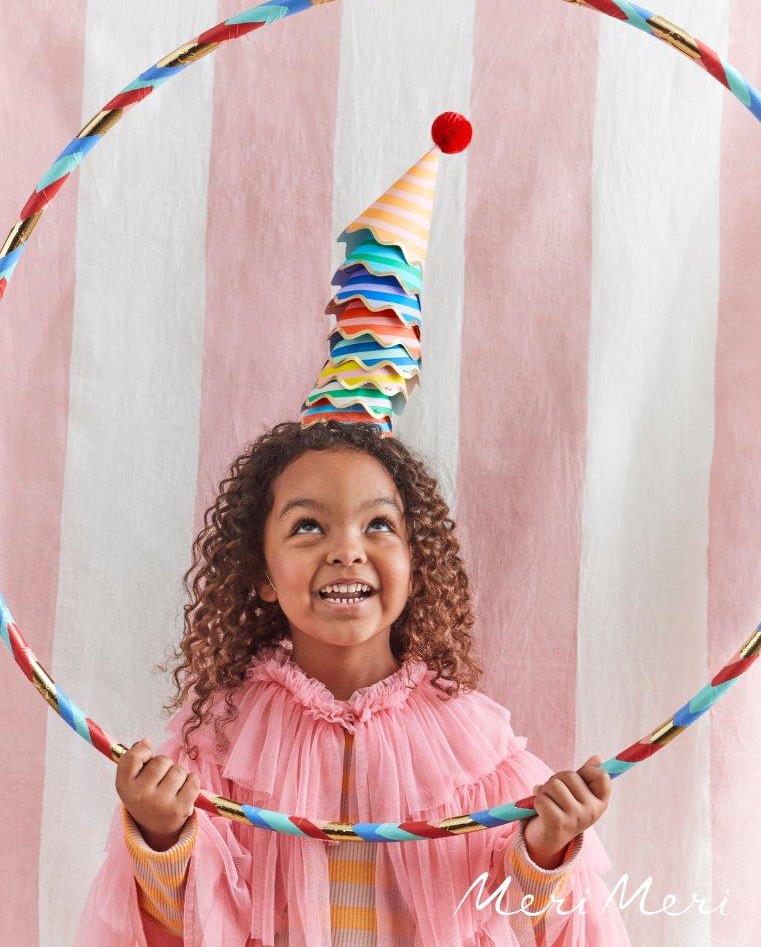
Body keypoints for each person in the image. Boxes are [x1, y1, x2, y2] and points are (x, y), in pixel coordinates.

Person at [73, 113, 633, 946]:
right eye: (307, 526)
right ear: (258, 571)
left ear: (416, 560)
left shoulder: (471, 741)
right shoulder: (217, 739)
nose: (346, 548)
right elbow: (181, 919)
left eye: (378, 525)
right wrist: (160, 836)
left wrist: (547, 849)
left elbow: (510, 914)